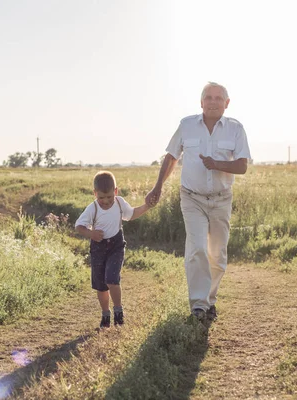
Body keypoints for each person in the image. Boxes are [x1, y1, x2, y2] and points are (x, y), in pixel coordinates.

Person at [145, 82, 251, 322]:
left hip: (221, 200)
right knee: (197, 250)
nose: (213, 102)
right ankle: (198, 306)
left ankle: (210, 300)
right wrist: (157, 186)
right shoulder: (187, 125)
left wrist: (217, 164)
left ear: (227, 103)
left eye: (218, 98)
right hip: (191, 197)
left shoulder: (235, 129)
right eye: (208, 97)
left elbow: (242, 166)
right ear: (201, 102)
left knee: (217, 254)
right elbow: (171, 156)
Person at [75, 171, 150, 328]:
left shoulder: (120, 203)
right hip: (98, 248)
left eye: (109, 196)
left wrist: (147, 206)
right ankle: (105, 314)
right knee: (101, 285)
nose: (106, 201)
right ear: (95, 193)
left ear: (115, 191)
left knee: (112, 279)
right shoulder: (93, 208)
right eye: (101, 197)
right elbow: (79, 226)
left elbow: (132, 214)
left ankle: (118, 311)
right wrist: (91, 233)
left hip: (116, 246)